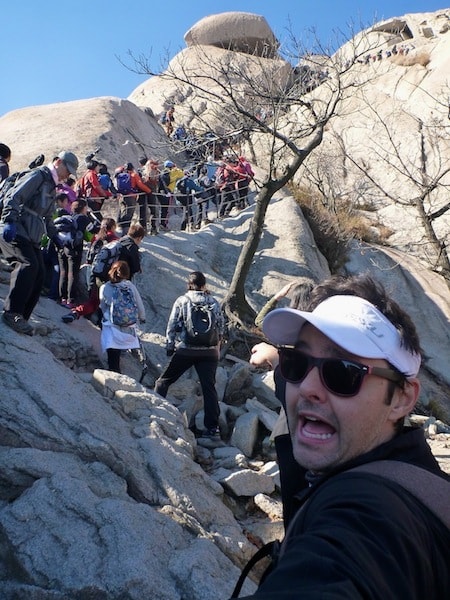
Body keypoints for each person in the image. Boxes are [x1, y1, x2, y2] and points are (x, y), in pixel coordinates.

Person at [236, 273, 450, 598]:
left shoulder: (371, 515)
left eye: (343, 373)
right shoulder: (423, 479)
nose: (307, 387)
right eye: (297, 362)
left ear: (403, 398)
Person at [0, 151, 79, 335]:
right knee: (27, 264)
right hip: (16, 228)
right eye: (68, 169)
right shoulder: (38, 175)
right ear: (58, 162)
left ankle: (23, 317)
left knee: (40, 272)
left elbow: (48, 218)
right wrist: (9, 220)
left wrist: (56, 238)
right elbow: (15, 196)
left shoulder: (52, 186)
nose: (68, 175)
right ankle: (12, 313)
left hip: (30, 234)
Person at [154, 271, 225, 439]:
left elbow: (172, 325)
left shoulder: (183, 300)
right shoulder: (214, 302)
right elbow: (221, 328)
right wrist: (216, 348)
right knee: (209, 388)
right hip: (209, 352)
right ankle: (212, 430)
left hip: (187, 349)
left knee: (163, 381)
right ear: (204, 285)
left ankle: (155, 413)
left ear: (189, 283)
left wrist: (170, 346)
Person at [61, 222, 144, 324]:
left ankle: (76, 313)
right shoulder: (132, 247)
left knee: (94, 302)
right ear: (139, 238)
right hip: (113, 281)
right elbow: (135, 268)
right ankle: (102, 325)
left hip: (96, 274)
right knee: (110, 306)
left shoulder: (118, 241)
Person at [99, 260, 145, 373]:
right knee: (121, 348)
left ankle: (113, 372)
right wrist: (142, 317)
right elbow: (139, 303)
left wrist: (107, 316)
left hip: (111, 324)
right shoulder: (130, 286)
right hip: (128, 324)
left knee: (112, 352)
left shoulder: (105, 287)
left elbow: (102, 305)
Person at [115, 163, 151, 235]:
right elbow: (140, 185)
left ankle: (119, 227)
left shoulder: (120, 175)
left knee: (122, 212)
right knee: (129, 214)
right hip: (131, 197)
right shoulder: (134, 175)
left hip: (122, 196)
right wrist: (149, 191)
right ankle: (125, 232)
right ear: (132, 168)